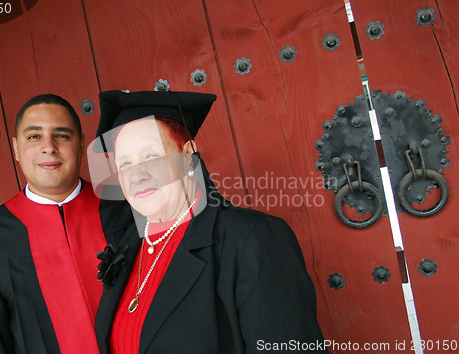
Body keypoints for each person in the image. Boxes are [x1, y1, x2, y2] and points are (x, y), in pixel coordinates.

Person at [90, 90, 326, 353]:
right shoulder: (128, 247)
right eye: (125, 164)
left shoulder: (251, 240)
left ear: (189, 154)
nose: (137, 176)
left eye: (152, 157)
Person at [0, 94, 132, 353]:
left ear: (81, 143)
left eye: (61, 135)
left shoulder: (127, 213)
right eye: (34, 136)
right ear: (16, 149)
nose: (49, 147)